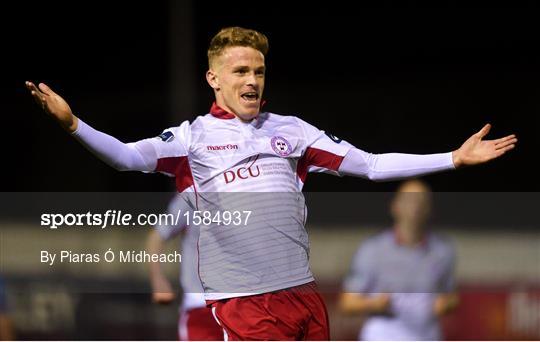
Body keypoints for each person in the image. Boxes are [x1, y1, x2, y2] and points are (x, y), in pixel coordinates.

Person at [26, 26, 516, 340]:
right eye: (240, 70)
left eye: (259, 70)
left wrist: (452, 157)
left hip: (302, 295)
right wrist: (74, 125)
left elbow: (370, 164)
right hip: (244, 302)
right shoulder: (193, 138)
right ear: (214, 79)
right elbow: (127, 158)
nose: (253, 80)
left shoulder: (292, 131)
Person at [340, 179, 459, 340]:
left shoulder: (442, 251)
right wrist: (374, 304)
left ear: (429, 208)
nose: (415, 207)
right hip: (384, 334)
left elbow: (451, 296)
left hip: (425, 335)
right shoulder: (373, 249)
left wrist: (445, 304)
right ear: (395, 206)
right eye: (410, 200)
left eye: (422, 201)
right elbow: (347, 303)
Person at [147, 194, 223, 341]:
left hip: (240, 305)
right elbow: (156, 237)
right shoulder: (190, 197)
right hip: (201, 308)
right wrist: (157, 278)